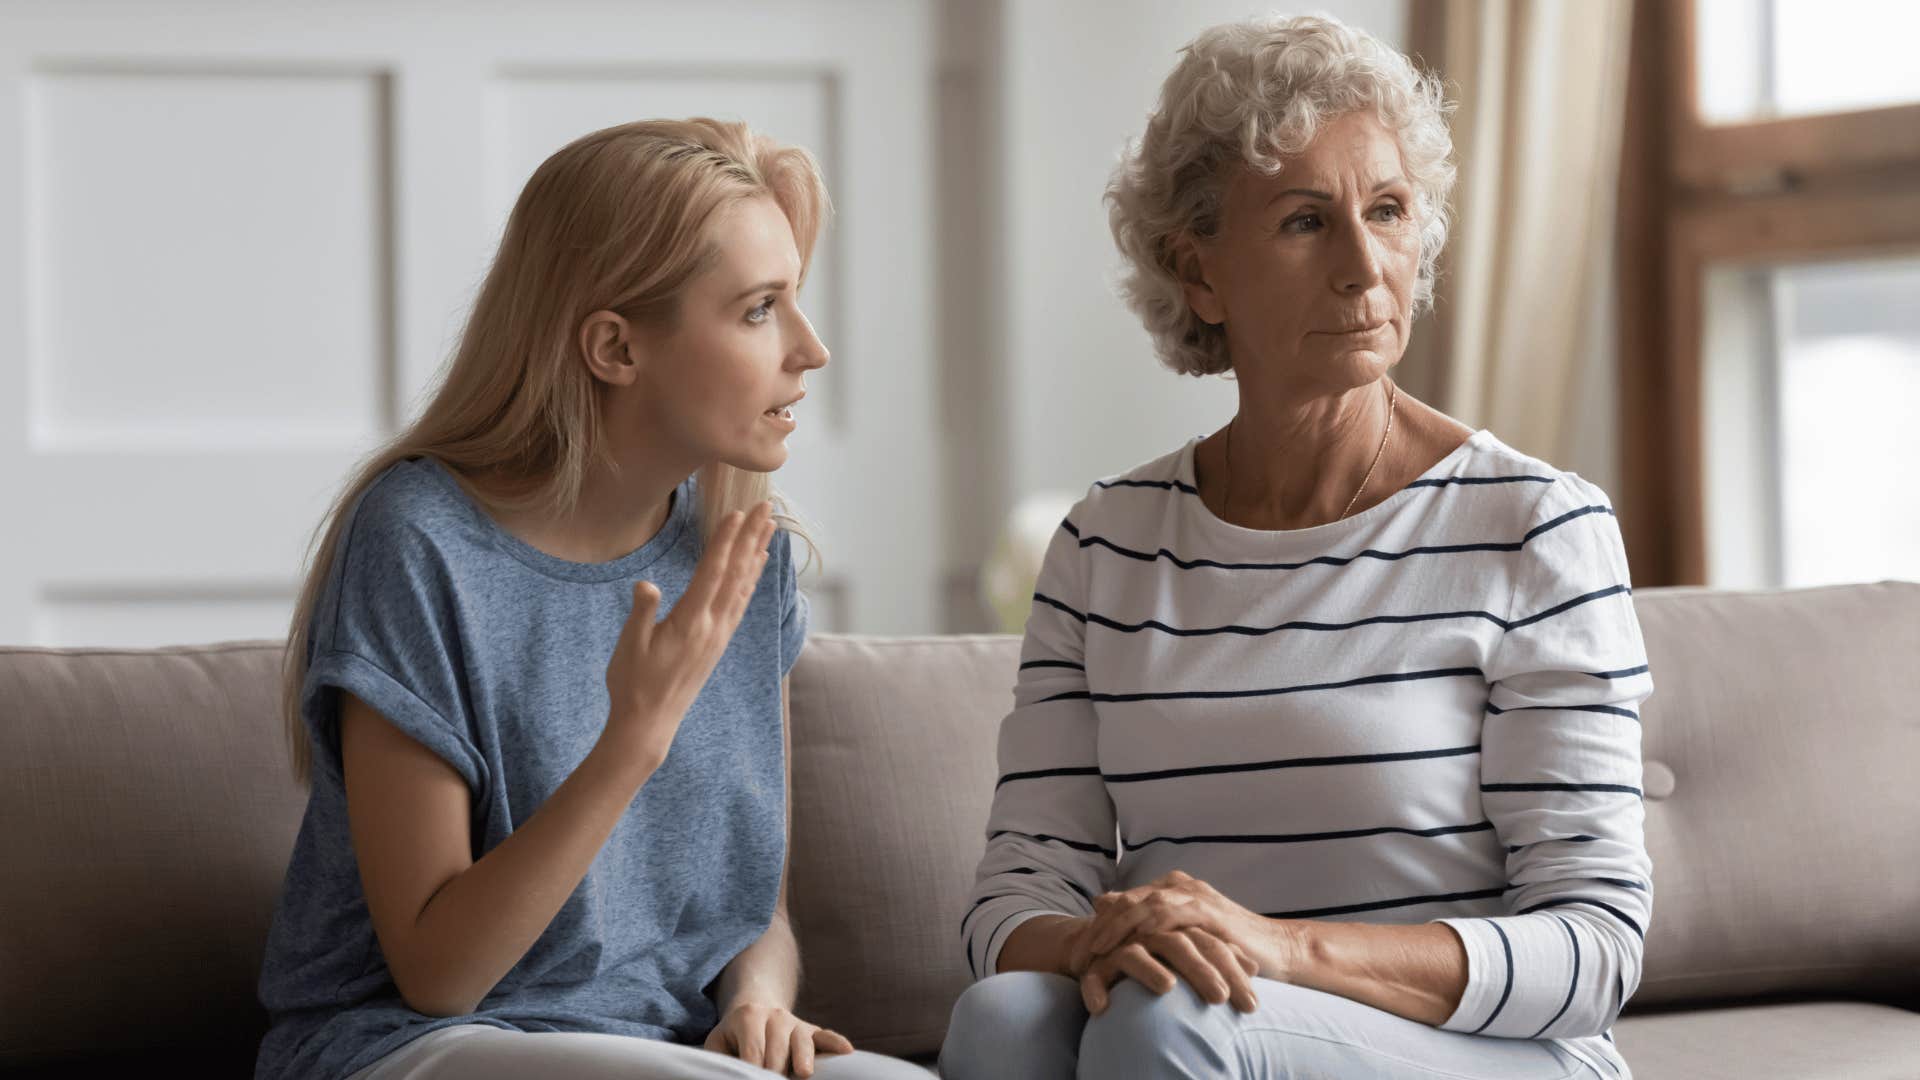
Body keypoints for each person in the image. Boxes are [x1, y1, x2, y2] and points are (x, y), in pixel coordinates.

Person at [943, 14, 1652, 1079]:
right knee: (1003, 1021)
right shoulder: (1108, 547)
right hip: (1205, 1016)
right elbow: (1014, 898)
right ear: (1200, 273)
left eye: (1390, 210)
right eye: (1305, 221)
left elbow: (1596, 948)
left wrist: (1279, 950)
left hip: (1493, 1052)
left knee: (1163, 1021)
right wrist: (1096, 937)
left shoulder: (1535, 526)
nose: (1366, 266)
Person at [255, 118, 920, 1080]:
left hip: (667, 1052)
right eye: (758, 309)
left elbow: (754, 909)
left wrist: (758, 1003)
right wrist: (633, 738)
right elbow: (440, 971)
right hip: (418, 1045)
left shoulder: (742, 555)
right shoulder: (417, 541)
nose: (809, 350)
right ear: (615, 346)